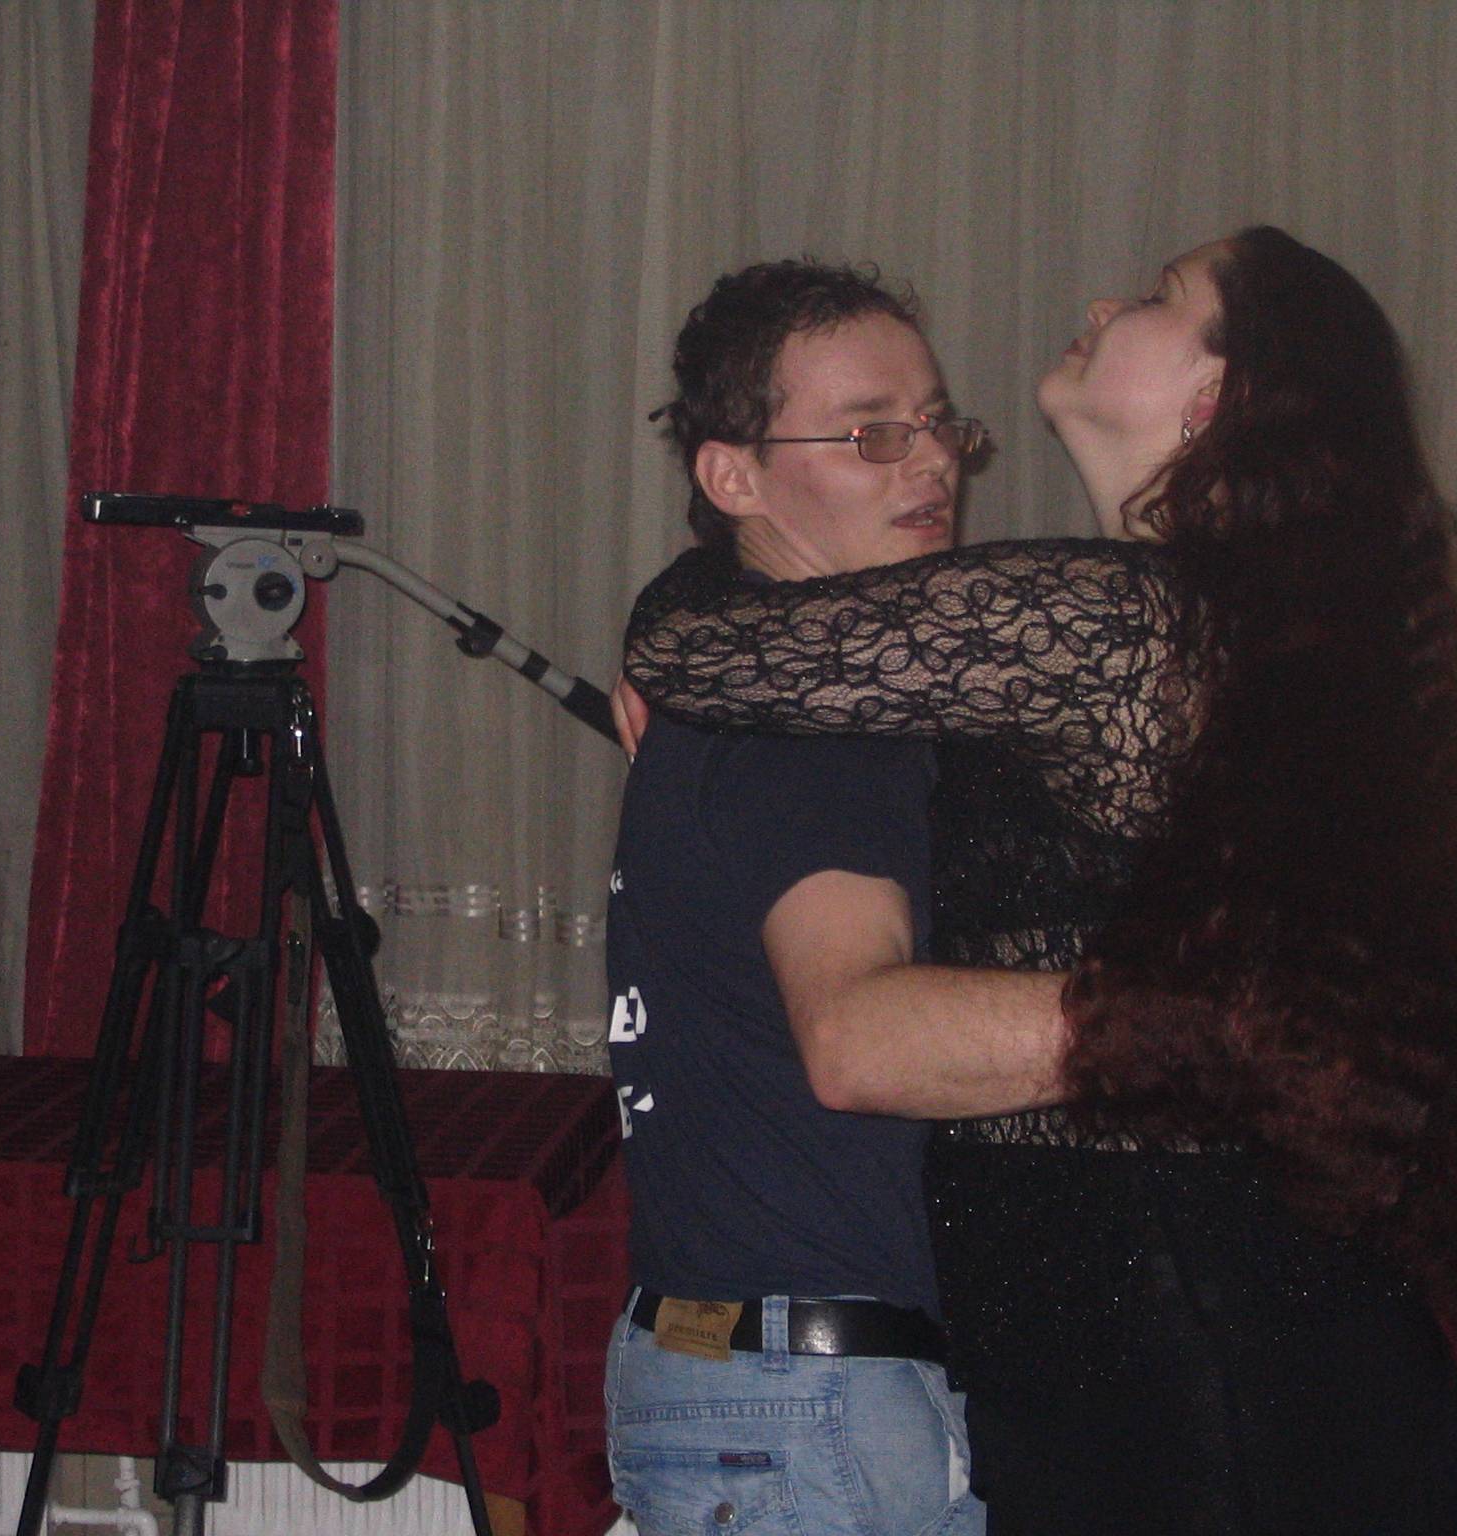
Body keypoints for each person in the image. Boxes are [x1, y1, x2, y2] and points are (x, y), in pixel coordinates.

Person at [619, 227, 1457, 1534]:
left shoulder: (1112, 619)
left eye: (1160, 297)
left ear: (1217, 396)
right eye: (875, 433)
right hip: (1200, 1333)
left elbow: (698, 646)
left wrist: (692, 623)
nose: (1110, 301)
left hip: (1189, 1350)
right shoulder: (1234, 635)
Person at [604, 258, 988, 1536]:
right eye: (871, 434)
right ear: (734, 477)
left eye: (935, 422)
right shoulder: (807, 723)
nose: (928, 462)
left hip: (753, 1385)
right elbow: (859, 1039)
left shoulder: (749, 675)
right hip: (805, 1403)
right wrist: (1195, 1018)